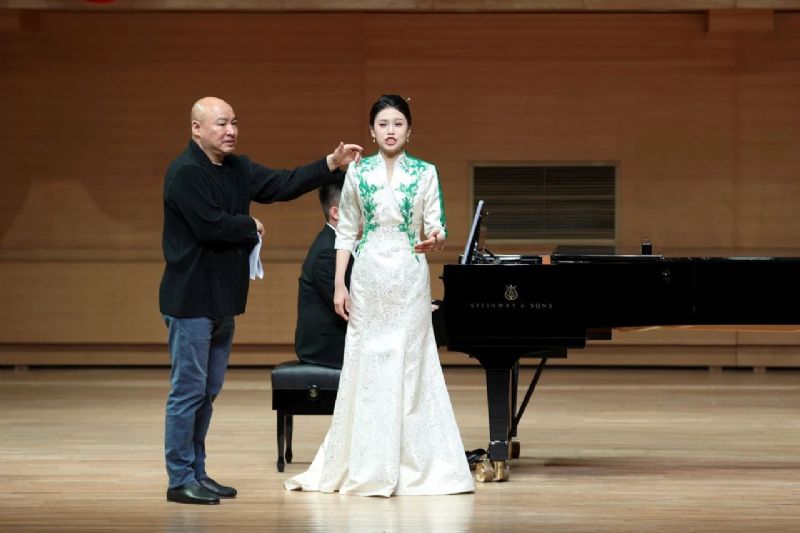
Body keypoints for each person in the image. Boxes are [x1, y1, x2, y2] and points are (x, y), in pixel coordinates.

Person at [160, 96, 362, 505]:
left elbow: (283, 183)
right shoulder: (184, 173)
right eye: (221, 123)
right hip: (191, 301)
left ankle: (198, 472)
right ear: (196, 129)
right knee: (188, 391)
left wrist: (331, 163)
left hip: (222, 300)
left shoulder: (237, 168)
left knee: (207, 391)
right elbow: (210, 226)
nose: (230, 130)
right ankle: (179, 479)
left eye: (234, 122)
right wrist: (249, 224)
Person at [285, 94, 475, 497]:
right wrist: (340, 284)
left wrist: (436, 239)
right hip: (368, 275)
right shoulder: (357, 171)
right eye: (383, 124)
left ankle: (413, 462)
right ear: (372, 131)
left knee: (412, 365)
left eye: (398, 124)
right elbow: (346, 231)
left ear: (410, 130)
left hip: (408, 275)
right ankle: (368, 462)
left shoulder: (426, 172)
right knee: (368, 364)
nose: (391, 131)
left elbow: (437, 225)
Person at [294, 180, 352, 369]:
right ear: (336, 213)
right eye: (359, 206)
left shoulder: (338, 243)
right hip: (327, 347)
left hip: (341, 336)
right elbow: (348, 308)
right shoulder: (327, 251)